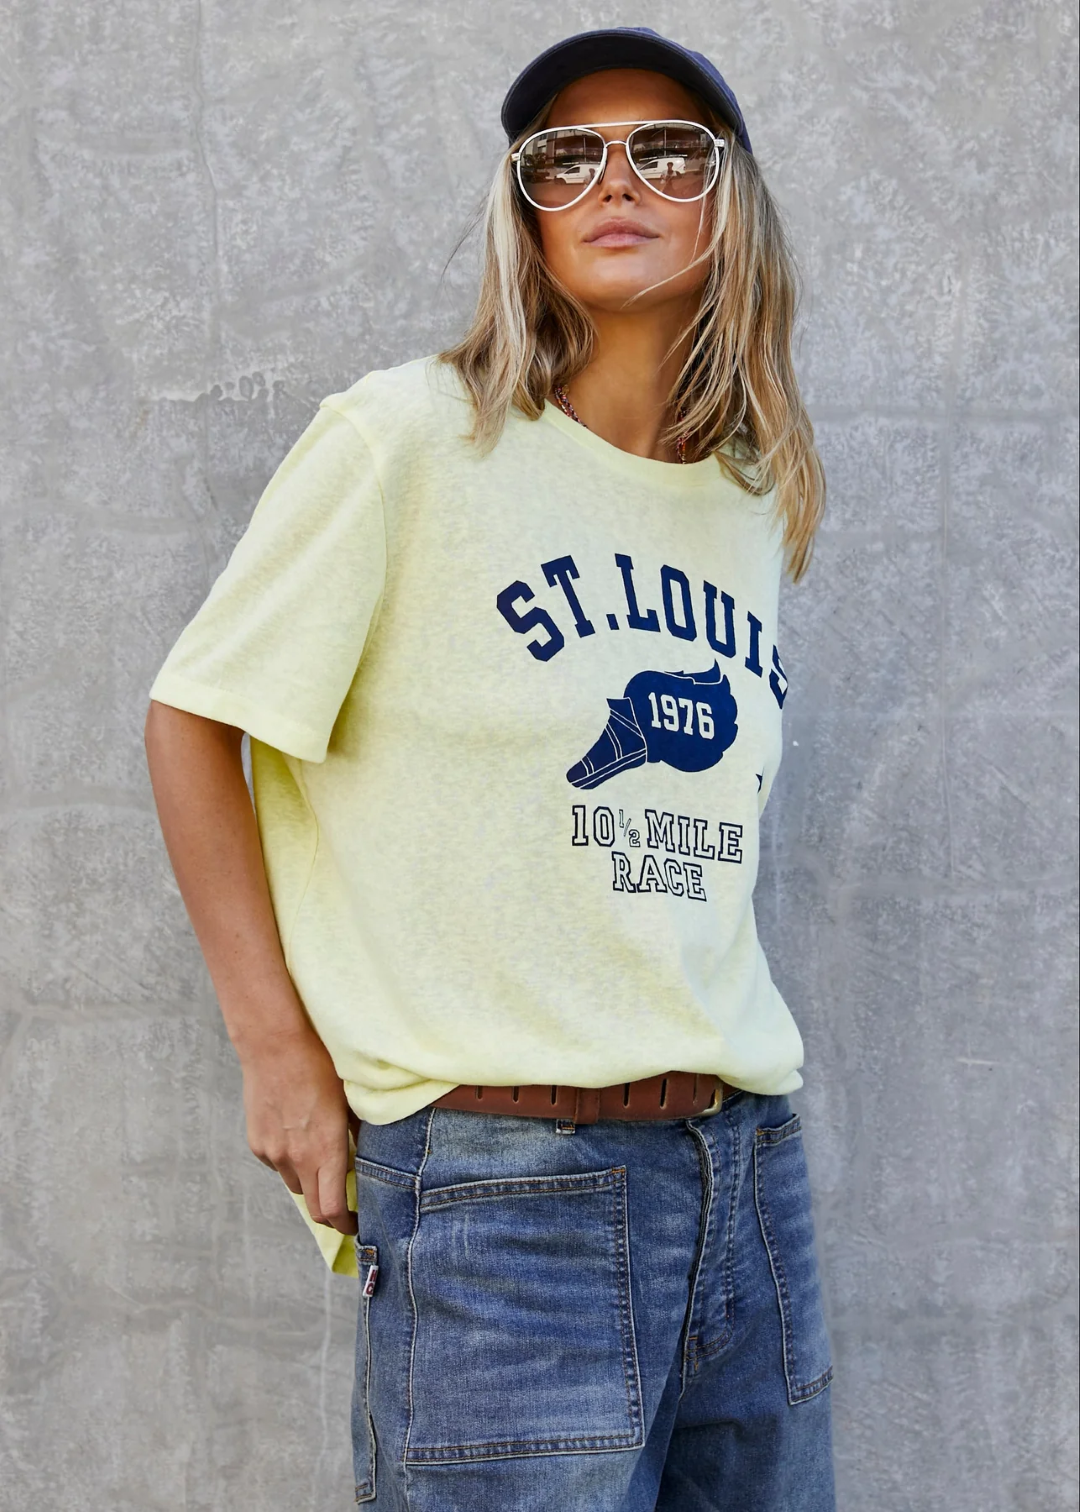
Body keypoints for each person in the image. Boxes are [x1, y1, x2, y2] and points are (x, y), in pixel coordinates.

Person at [144, 26, 834, 1512]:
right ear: (524, 210)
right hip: (504, 1194)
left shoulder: (745, 493)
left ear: (732, 203)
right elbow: (196, 718)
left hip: (746, 1173)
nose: (614, 180)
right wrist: (277, 1056)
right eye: (564, 157)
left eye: (667, 150)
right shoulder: (408, 441)